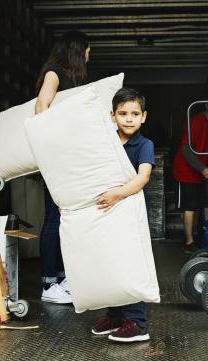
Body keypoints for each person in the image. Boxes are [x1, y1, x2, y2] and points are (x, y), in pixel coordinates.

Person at [91, 87, 155, 343]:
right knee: (110, 264)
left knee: (131, 265)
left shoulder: (145, 145)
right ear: (112, 116)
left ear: (144, 117)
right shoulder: (106, 144)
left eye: (134, 113)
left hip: (131, 210)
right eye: (123, 113)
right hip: (108, 210)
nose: (129, 118)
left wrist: (117, 195)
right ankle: (116, 315)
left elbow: (143, 177)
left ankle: (138, 323)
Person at [35, 30, 90, 304]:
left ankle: (61, 277)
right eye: (88, 51)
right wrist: (50, 148)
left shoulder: (72, 80)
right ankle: (48, 284)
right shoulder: (55, 73)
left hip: (67, 160)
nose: (90, 56)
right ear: (78, 50)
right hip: (54, 159)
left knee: (65, 219)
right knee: (53, 220)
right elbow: (41, 105)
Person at [171, 93, 208, 253]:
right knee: (190, 207)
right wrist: (203, 169)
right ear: (206, 105)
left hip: (199, 171)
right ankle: (189, 243)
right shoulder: (195, 122)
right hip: (185, 170)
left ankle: (195, 238)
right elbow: (186, 150)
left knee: (198, 206)